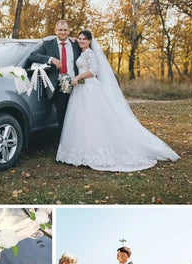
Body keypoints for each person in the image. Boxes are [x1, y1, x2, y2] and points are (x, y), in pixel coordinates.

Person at [56, 30, 180, 171]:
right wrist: (73, 39)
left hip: (89, 88)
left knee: (92, 120)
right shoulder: (83, 52)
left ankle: (94, 152)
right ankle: (78, 151)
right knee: (81, 120)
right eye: (80, 38)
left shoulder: (90, 53)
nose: (82, 41)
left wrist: (78, 77)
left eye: (84, 39)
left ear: (90, 41)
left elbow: (93, 71)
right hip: (81, 89)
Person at [28, 20, 81, 127]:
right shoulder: (48, 44)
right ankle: (63, 141)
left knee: (78, 114)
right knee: (64, 115)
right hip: (59, 85)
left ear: (69, 31)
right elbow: (32, 56)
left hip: (77, 84)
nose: (63, 32)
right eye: (60, 30)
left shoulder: (75, 44)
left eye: (65, 30)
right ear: (55, 31)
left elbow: (87, 50)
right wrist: (51, 59)